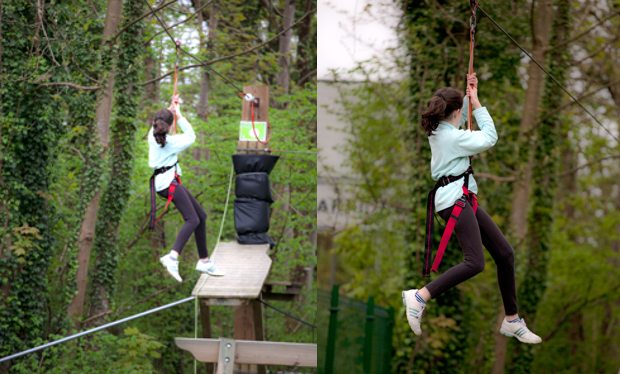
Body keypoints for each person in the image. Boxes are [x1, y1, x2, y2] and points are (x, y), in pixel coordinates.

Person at [402, 74, 542, 344]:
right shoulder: (454, 138)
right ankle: (419, 296)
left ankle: (512, 320)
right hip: (455, 199)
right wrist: (477, 104)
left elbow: (457, 114)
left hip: (459, 197)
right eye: (460, 111)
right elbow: (490, 137)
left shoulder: (440, 130)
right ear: (455, 114)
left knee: (504, 253)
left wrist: (468, 97)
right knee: (475, 262)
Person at [148, 95, 224, 282]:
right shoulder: (171, 143)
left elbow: (162, 122)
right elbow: (191, 136)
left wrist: (171, 109)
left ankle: (204, 261)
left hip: (164, 182)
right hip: (168, 183)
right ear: (170, 125)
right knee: (192, 219)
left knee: (201, 217)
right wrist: (179, 115)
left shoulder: (152, 134)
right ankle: (172, 257)